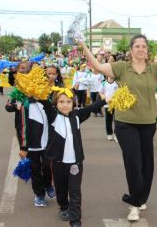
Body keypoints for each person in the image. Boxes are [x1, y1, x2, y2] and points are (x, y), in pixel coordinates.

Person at [78, 34, 157, 221]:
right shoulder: (121, 68)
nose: (141, 49)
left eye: (144, 46)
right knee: (133, 160)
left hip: (148, 124)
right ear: (131, 50)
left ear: (147, 50)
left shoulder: (154, 68)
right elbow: (99, 67)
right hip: (125, 123)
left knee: (147, 163)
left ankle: (141, 197)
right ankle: (134, 203)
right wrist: (83, 44)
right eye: (137, 46)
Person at [41, 88, 106, 227]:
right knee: (61, 189)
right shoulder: (52, 116)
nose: (65, 105)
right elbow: (44, 102)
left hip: (75, 163)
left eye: (69, 102)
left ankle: (75, 220)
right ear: (56, 103)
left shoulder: (77, 116)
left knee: (75, 191)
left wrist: (107, 100)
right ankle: (63, 207)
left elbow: (92, 107)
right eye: (61, 102)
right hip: (58, 162)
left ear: (74, 103)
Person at [99, 76, 118, 142]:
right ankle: (109, 134)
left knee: (117, 120)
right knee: (108, 120)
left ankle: (116, 135)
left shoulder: (117, 83)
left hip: (116, 104)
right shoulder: (104, 83)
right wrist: (103, 96)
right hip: (107, 105)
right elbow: (100, 92)